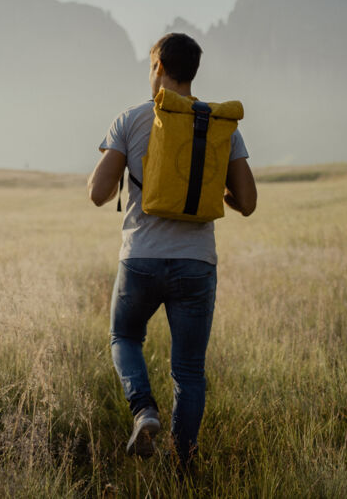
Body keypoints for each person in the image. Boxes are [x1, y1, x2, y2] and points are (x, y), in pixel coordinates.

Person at [87, 33, 257, 470]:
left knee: (124, 337)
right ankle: (183, 465)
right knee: (189, 371)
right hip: (196, 262)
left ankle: (143, 409)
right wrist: (214, 193)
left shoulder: (131, 119)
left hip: (140, 258)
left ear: (159, 66)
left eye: (150, 67)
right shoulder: (220, 125)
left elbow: (97, 193)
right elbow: (248, 202)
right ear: (193, 72)